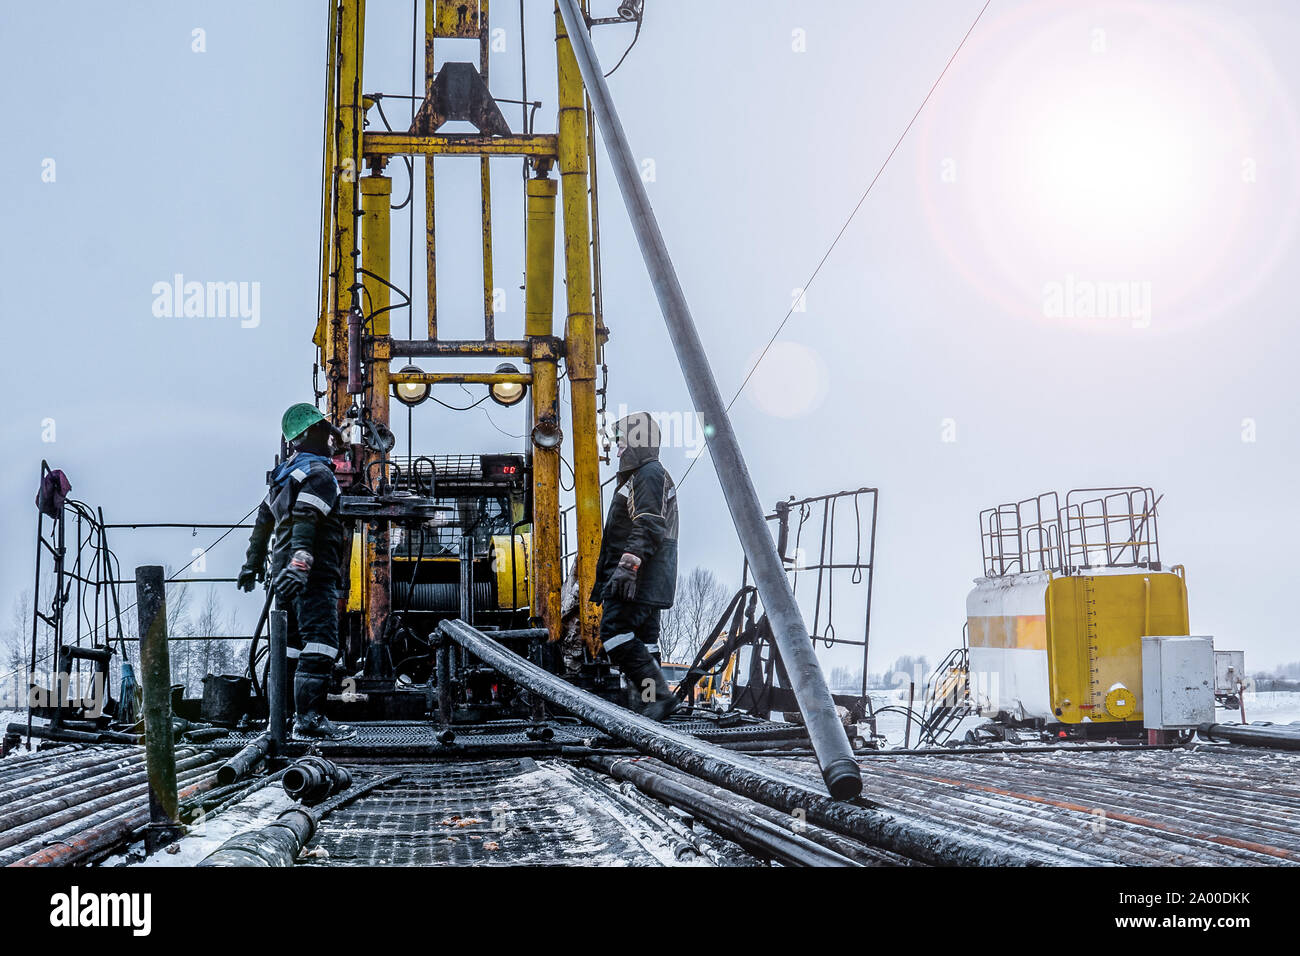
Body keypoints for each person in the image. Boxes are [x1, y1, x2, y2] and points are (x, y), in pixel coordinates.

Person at [238, 403, 354, 740]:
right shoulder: (319, 475)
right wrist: (302, 561)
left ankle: (283, 719)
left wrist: (252, 564)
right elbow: (306, 517)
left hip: (283, 577)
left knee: (289, 647)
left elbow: (263, 523)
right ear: (312, 434)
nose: (332, 439)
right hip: (310, 574)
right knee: (321, 643)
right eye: (325, 432)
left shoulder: (284, 475)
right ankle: (310, 720)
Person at [592, 411, 680, 721]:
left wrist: (628, 566)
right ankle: (647, 704)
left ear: (636, 442)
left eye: (621, 444)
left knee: (614, 633)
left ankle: (656, 697)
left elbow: (649, 523)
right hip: (649, 576)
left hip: (637, 577)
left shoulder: (648, 474)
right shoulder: (646, 475)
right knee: (644, 640)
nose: (617, 451)